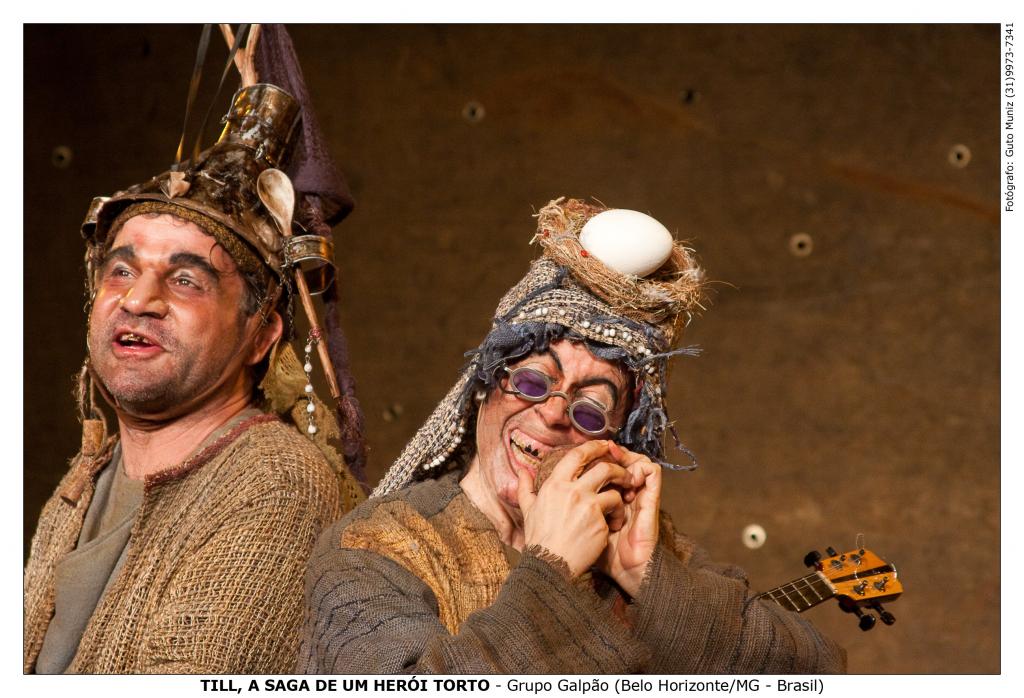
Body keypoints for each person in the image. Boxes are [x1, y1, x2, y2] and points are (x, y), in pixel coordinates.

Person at [299, 197, 846, 674]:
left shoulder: (644, 544)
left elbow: (815, 668)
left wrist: (647, 578)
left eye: (590, 409)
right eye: (533, 381)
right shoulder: (374, 550)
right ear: (485, 384)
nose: (554, 413)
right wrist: (551, 568)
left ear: (616, 438)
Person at [23, 28, 366, 674]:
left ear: (262, 335)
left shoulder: (272, 483)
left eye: (185, 280)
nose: (139, 299)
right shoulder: (90, 471)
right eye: (122, 270)